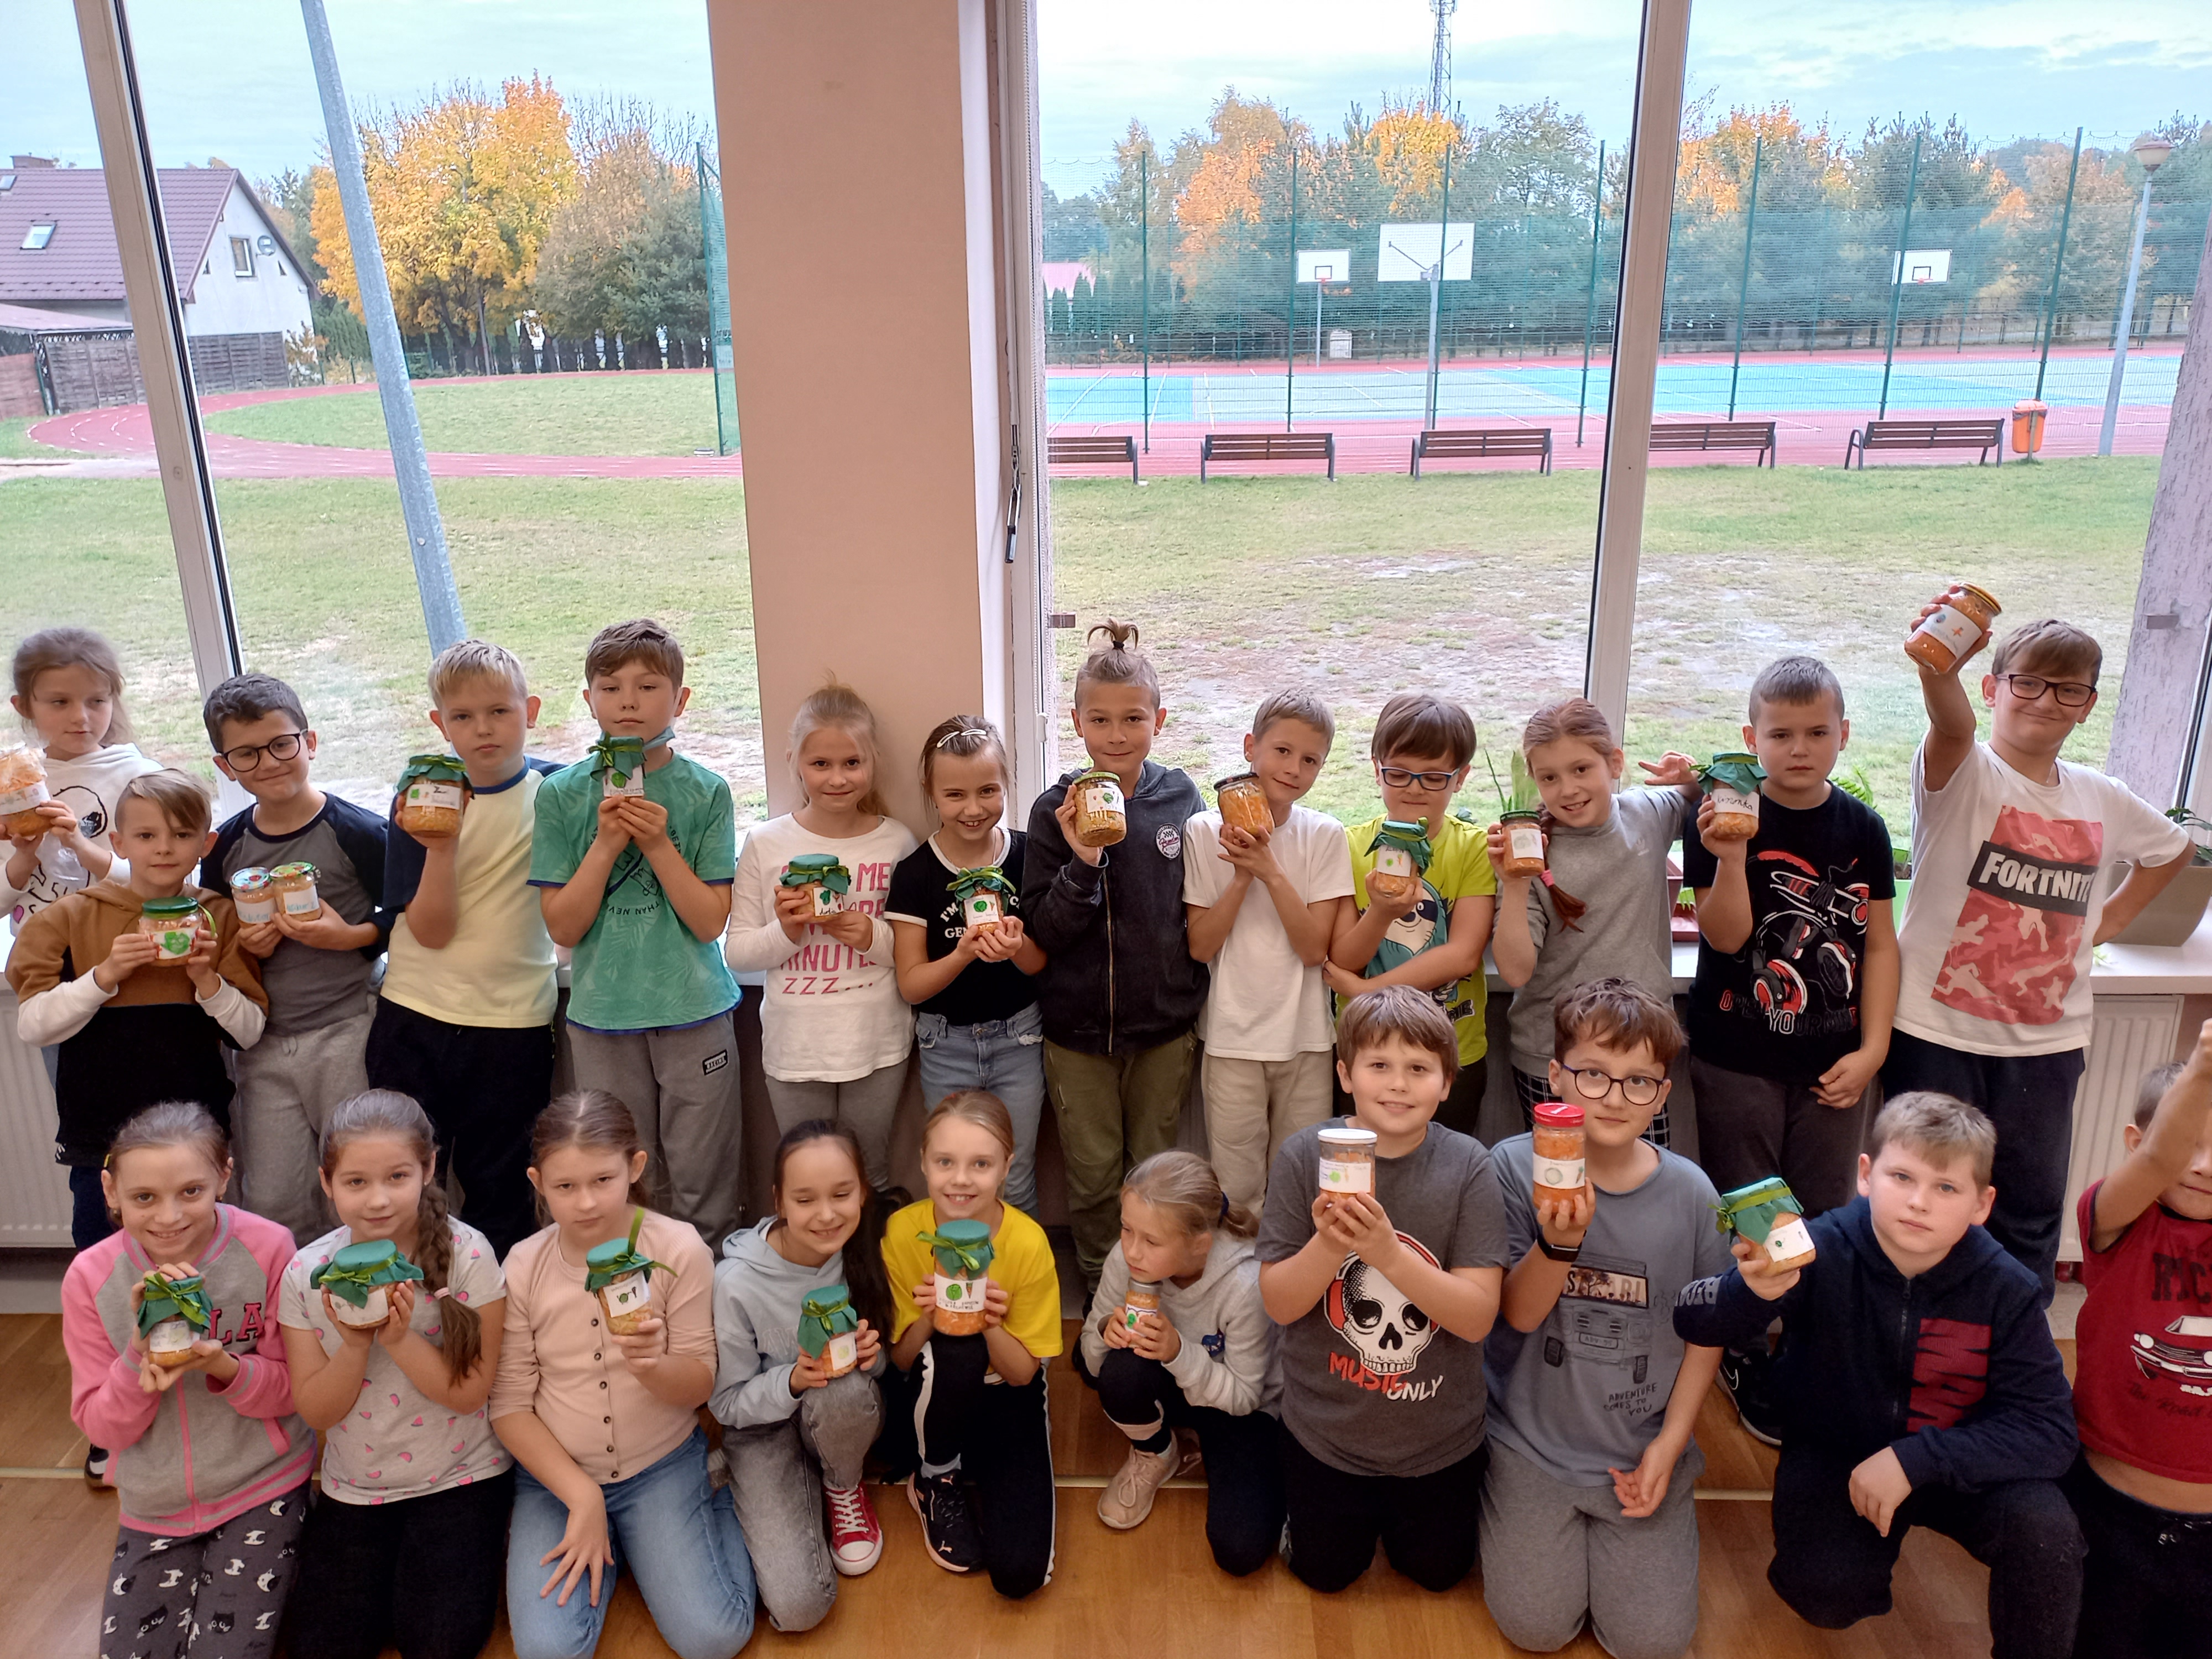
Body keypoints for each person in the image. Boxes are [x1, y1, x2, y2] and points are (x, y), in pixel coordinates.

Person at [1673, 1093, 2084, 1659]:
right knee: (1824, 1593)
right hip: (1838, 1455)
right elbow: (1692, 1320)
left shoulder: (2007, 1288)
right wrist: (1748, 1291)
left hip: (1959, 1462)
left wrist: (1917, 1461)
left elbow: (2051, 1432)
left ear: (1982, 1204)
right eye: (1902, 1176)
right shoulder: (1817, 1249)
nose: (1919, 1202)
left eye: (1946, 1188)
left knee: (2046, 1533)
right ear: (1865, 1175)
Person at [1885, 604, 2191, 1299]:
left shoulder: (2101, 797)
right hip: (1935, 1034)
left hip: (2047, 1047)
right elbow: (1951, 725)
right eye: (2027, 682)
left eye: (2068, 689)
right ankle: (1917, 1341)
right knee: (1925, 1205)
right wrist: (1939, 669)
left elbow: (2172, 852)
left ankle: (2011, 1346)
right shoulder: (1964, 772)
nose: (2046, 701)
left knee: (2028, 1209)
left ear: (2087, 706)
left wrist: (2108, 921)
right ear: (1992, 689)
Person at [1682, 656, 1898, 1444]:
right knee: (1751, 1208)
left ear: (1844, 734)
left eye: (1816, 732)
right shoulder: (1718, 814)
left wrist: (1874, 1049)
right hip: (1735, 1057)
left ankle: (1805, 1349)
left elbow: (1880, 946)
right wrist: (1729, 855)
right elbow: (1725, 937)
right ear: (1752, 739)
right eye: (1780, 735)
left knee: (1823, 1215)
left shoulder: (1863, 827)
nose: (1799, 748)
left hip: (1832, 1065)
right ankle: (1741, 1348)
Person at [1480, 979, 1730, 1659]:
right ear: (1556, 1077)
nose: (1615, 1098)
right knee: (1536, 1627)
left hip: (1638, 1450)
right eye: (1593, 1075)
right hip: (1530, 1445)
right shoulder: (1512, 1168)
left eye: (1638, 1082)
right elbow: (1518, 1313)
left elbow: (1705, 1333)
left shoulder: (1692, 1194)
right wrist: (1559, 1243)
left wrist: (1670, 1444)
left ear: (1662, 1094)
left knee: (1651, 1644)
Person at [1256, 984, 1507, 1594]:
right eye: (1379, 1065)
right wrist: (1331, 1245)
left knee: (1439, 1573)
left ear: (1446, 1083)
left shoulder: (1470, 1166)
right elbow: (1279, 1304)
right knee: (1325, 1574)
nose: (1398, 1084)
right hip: (1326, 1436)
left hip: (1440, 1440)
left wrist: (1386, 1255)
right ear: (1345, 1074)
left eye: (1418, 1068)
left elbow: (1477, 1318)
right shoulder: (1302, 1157)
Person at [489, 1091, 755, 1659]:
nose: (586, 1202)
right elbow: (509, 1405)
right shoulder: (524, 1265)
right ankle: (617, 1536)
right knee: (546, 1653)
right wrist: (582, 1496)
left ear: (634, 1168)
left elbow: (701, 1382)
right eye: (565, 1186)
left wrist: (654, 1366)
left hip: (660, 1466)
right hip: (557, 1480)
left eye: (603, 1180)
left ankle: (712, 1499)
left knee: (715, 1638)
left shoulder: (677, 1249)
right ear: (538, 1183)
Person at [62, 1102, 313, 1659]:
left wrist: (225, 1367)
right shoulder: (90, 1278)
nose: (169, 1216)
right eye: (144, 1197)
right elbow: (102, 1427)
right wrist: (137, 1357)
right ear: (110, 1191)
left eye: (191, 1192)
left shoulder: (269, 1247)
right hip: (154, 1505)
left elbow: (295, 1391)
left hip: (261, 1487)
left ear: (225, 1175)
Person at [531, 620, 743, 1246]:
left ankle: (708, 1287)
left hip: (694, 1010)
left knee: (704, 1175)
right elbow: (564, 927)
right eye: (611, 687)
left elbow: (709, 921)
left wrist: (656, 844)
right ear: (589, 699)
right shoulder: (561, 795)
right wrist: (606, 844)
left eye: (648, 687)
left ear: (679, 700)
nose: (628, 701)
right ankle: (632, 1286)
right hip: (604, 1018)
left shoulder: (706, 792)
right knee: (619, 1177)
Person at [279, 1091, 511, 1659]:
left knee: (437, 1643)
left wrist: (399, 1337)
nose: (378, 1199)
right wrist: (355, 1345)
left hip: (460, 1476)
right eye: (356, 1182)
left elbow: (470, 1394)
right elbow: (317, 1411)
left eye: (397, 1177)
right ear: (327, 1182)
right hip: (357, 1486)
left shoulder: (469, 1255)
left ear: (429, 1169)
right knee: (321, 1646)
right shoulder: (306, 1273)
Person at [9, 770, 266, 1253]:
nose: (164, 849)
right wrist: (104, 976)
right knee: (104, 1257)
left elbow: (249, 1033)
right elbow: (33, 1026)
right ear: (119, 843)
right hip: (100, 1134)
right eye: (147, 836)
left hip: (197, 1134)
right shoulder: (68, 917)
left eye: (182, 835)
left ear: (206, 844)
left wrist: (207, 982)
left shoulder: (219, 916)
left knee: (204, 1256)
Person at [1024, 620, 1207, 1287]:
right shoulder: (1055, 810)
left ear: (1159, 720)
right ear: (1077, 723)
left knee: (1154, 1173)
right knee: (1095, 1175)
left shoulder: (1181, 799)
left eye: (1133, 718)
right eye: (1099, 720)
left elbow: (1199, 904)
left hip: (1162, 1027)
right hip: (1076, 1033)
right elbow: (1044, 931)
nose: (1117, 734)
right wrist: (1083, 860)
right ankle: (1106, 1295)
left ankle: (1152, 1291)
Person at [367, 639, 561, 1256]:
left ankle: (492, 1312)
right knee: (402, 1183)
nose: (483, 729)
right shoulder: (418, 797)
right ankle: (406, 1304)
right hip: (415, 1015)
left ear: (531, 711)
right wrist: (442, 845)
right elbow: (430, 931)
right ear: (439, 723)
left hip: (511, 1026)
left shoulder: (558, 793)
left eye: (500, 711)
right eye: (463, 716)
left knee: (502, 1192)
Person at [203, 672, 394, 1244]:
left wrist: (350, 936)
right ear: (225, 767)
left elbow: (407, 919)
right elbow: (215, 934)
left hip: (348, 1032)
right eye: (246, 753)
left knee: (359, 1182)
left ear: (310, 742)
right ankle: (295, 1299)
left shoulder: (359, 832)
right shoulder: (226, 847)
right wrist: (244, 948)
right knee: (272, 1198)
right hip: (262, 1045)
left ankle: (374, 1293)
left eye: (282, 744)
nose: (268, 763)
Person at [727, 682, 917, 1198]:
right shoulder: (765, 843)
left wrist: (869, 935)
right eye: (820, 764)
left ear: (874, 761)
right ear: (794, 762)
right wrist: (787, 932)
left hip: (876, 1039)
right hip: (795, 1046)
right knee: (806, 1181)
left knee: (869, 1176)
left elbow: (911, 953)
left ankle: (869, 1256)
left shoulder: (896, 841)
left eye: (852, 763)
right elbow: (737, 952)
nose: (837, 778)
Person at [2063, 1022, 2212, 1655]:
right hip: (2107, 1517)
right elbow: (2156, 1162)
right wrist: (2203, 1067)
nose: (2203, 1166)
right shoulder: (2119, 1221)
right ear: (2135, 1142)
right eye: (2190, 1145)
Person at [1486, 697, 1696, 1142]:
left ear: (1615, 763)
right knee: (1559, 1179)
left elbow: (1701, 794)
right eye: (1549, 777)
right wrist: (1515, 883)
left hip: (1640, 1052)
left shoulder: (1649, 813)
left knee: (1641, 1176)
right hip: (1555, 1059)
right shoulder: (1530, 850)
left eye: (1581, 769)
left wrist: (1692, 776)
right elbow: (1516, 971)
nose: (1568, 789)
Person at [711, 1121, 893, 1631]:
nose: (827, 1214)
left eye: (842, 1194)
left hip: (838, 1413)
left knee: (844, 1389)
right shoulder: (735, 1283)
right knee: (799, 1609)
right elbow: (726, 1404)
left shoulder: (867, 1248)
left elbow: (880, 1375)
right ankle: (747, 1490)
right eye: (805, 1199)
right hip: (761, 1431)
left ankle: (842, 1486)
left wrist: (871, 1357)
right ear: (778, 1200)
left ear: (863, 1192)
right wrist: (792, 1379)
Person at [881, 1091, 1061, 1595]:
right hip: (933, 1387)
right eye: (945, 1162)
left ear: (1006, 1167)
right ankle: (935, 1476)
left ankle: (973, 1460)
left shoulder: (1027, 1242)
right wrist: (931, 1314)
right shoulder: (904, 1231)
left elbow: (1024, 1375)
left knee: (1020, 1575)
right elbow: (900, 1359)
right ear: (924, 1162)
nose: (961, 1179)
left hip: (1006, 1390)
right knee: (955, 1350)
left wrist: (986, 1320)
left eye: (981, 1164)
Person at [1075, 1149, 1283, 1572]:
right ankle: (1157, 1451)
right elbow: (1095, 1367)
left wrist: (1178, 1352)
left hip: (1236, 1406)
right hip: (1175, 1382)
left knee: (1239, 1550)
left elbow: (1245, 1397)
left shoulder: (1246, 1285)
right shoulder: (1125, 1259)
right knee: (1113, 1372)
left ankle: (1216, 1447)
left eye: (1151, 1241)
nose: (1132, 1251)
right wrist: (1104, 1332)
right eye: (1126, 1229)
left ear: (1199, 1245)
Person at [1185, 691, 1354, 1211]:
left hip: (1306, 1038)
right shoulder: (1202, 830)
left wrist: (1269, 869)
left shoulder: (1324, 834)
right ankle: (1241, 1265)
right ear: (1250, 748)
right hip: (1231, 1039)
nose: (1294, 769)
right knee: (1236, 1189)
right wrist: (1242, 876)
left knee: (1299, 1182)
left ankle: (1292, 1266)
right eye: (1282, 751)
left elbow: (1313, 950)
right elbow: (1201, 946)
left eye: (1310, 760)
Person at [888, 715, 1047, 1213]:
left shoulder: (1028, 856)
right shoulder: (916, 873)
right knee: (955, 1178)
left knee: (1014, 1173)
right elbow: (912, 985)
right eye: (955, 795)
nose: (974, 809)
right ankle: (959, 1264)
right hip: (945, 1045)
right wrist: (961, 954)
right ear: (931, 793)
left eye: (988, 791)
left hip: (1020, 1039)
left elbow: (1040, 965)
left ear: (1006, 785)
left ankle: (1019, 1265)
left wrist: (1017, 946)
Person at [1324, 693, 1496, 1137]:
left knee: (1448, 1166)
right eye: (1399, 774)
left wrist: (1365, 991)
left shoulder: (1473, 847)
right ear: (1377, 768)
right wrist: (1382, 913)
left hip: (1451, 1050)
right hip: (1366, 1053)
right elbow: (1343, 959)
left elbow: (1462, 955)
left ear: (1461, 778)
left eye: (1434, 777)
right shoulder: (1349, 846)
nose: (1414, 789)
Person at [3, 625, 160, 930]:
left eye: (97, 701)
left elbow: (165, 883)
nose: (81, 717)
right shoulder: (10, 788)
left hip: (128, 944)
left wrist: (82, 847)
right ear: (24, 706)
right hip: (39, 954)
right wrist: (24, 858)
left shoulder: (142, 778)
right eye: (60, 702)